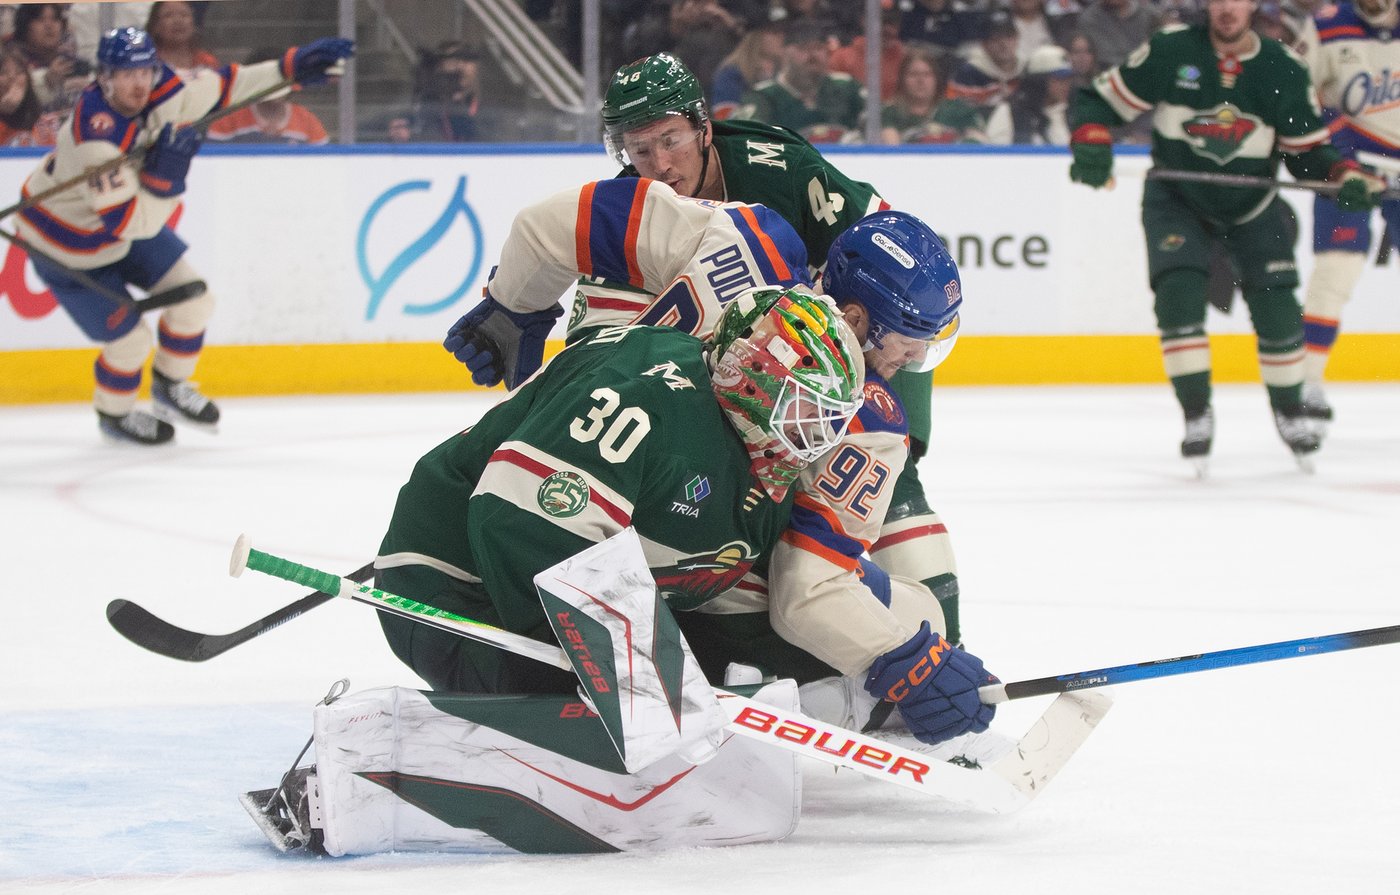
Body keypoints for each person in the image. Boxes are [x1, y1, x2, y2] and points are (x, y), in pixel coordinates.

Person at [458, 51, 971, 644]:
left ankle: (934, 644)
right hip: (728, 412)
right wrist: (516, 302)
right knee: (738, 530)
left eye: (671, 139)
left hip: (830, 367)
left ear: (703, 127)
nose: (658, 164)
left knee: (886, 487)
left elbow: (907, 282)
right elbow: (598, 355)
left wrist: (897, 427)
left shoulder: (777, 168)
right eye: (638, 149)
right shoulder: (632, 220)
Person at [1068, 0, 1385, 469]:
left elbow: (1308, 154)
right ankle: (1196, 414)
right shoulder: (1171, 51)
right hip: (1176, 200)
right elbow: (1096, 101)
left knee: (1279, 307)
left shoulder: (1283, 68)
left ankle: (1289, 409)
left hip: (1252, 207)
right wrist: (1092, 137)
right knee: (1177, 295)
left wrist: (1343, 173)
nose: (1228, 9)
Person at [14, 27, 354, 445]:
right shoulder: (95, 141)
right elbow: (132, 225)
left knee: (196, 301)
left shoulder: (162, 90)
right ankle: (115, 413)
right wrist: (166, 179)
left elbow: (224, 86)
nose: (139, 83)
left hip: (119, 226)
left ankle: (170, 385)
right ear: (105, 77)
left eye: (145, 71)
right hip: (66, 245)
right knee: (130, 341)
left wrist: (290, 68)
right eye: (126, 74)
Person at [1295, 0, 1400, 426]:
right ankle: (1305, 385)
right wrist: (1343, 161)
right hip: (1348, 172)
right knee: (1335, 274)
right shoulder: (1326, 25)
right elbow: (1303, 99)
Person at [736, 18, 866, 142]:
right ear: (785, 53)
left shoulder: (847, 87)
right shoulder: (764, 96)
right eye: (803, 48)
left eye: (818, 48)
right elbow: (747, 137)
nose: (812, 55)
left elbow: (878, 121)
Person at [710, 20, 784, 119]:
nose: (782, 38)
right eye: (774, 33)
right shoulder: (732, 73)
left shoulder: (785, 71)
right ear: (756, 37)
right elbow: (724, 115)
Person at [413, 40, 483, 142]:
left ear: (476, 67)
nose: (460, 66)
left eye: (465, 60)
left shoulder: (495, 106)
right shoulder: (428, 103)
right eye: (453, 61)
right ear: (440, 68)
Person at [1008, 43, 1073, 145]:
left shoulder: (1073, 113)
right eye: (1059, 79)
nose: (1065, 84)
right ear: (1039, 81)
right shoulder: (1010, 113)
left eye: (1068, 78)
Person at [206, 95, 329, 145]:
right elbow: (211, 162)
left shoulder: (306, 119)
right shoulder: (230, 118)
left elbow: (325, 163)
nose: (277, 88)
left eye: (281, 80)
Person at [144, 1, 218, 80]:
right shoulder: (146, 62)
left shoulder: (207, 62)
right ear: (156, 26)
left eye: (184, 15)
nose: (178, 21)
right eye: (168, 15)